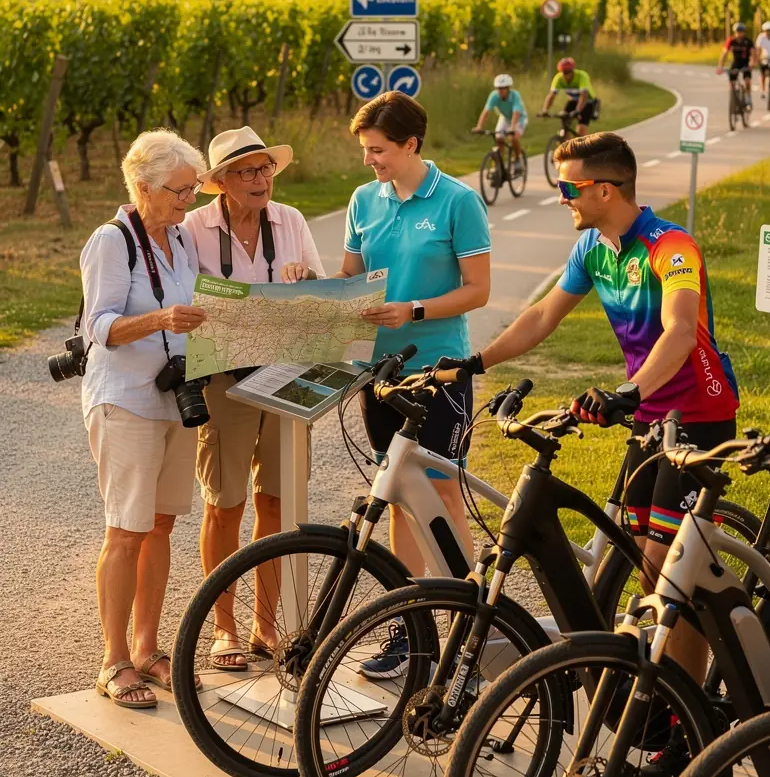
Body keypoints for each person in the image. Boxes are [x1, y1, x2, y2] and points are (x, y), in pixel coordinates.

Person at [443, 132, 739, 777]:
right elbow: (542, 316)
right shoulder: (591, 249)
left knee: (669, 567)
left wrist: (629, 391)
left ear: (606, 189)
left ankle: (690, 725)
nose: (562, 197)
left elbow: (681, 330)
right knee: (639, 562)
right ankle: (670, 689)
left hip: (698, 415)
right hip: (648, 416)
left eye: (569, 187)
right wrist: (473, 364)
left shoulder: (672, 248)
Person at [338, 91, 491, 678]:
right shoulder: (362, 199)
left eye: (378, 150)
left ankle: (468, 633)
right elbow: (351, 280)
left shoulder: (457, 201)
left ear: (410, 144)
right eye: (365, 151)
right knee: (398, 493)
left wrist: (415, 310)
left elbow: (477, 290)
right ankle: (409, 629)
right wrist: (315, 283)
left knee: (444, 496)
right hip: (377, 373)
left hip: (438, 370)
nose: (369, 160)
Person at [184, 126, 324, 671]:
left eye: (266, 169)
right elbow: (184, 298)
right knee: (225, 504)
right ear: (220, 182)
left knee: (279, 504)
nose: (261, 179)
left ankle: (268, 626)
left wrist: (305, 276)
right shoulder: (195, 227)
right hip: (224, 378)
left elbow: (322, 290)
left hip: (288, 375)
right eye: (248, 171)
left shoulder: (290, 220)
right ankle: (224, 628)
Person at [80, 130, 209, 709]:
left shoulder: (180, 239)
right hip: (125, 399)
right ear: (142, 186)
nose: (189, 200)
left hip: (172, 400)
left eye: (193, 189)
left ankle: (147, 647)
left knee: (161, 526)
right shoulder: (112, 241)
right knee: (126, 530)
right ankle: (112, 661)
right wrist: (161, 318)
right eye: (179, 191)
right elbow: (99, 328)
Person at [473, 74, 527, 171]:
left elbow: (516, 112)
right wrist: (479, 126)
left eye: (503, 88)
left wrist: (513, 127)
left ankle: (518, 158)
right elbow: (486, 111)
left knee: (513, 138)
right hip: (505, 118)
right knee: (498, 138)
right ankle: (499, 164)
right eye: (498, 88)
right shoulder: (494, 96)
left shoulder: (515, 96)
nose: (500, 91)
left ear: (508, 89)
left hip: (519, 119)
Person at [540, 57, 596, 136]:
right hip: (573, 100)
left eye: (568, 72)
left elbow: (584, 96)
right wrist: (545, 110)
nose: (566, 75)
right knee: (564, 122)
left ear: (573, 70)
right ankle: (565, 142)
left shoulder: (582, 76)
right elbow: (551, 96)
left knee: (581, 128)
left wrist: (577, 110)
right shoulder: (558, 78)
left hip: (587, 102)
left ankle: (585, 145)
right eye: (564, 73)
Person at [717, 22, 755, 110]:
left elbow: (753, 54)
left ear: (744, 32)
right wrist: (720, 67)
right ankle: (733, 97)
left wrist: (752, 64)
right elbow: (724, 54)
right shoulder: (731, 41)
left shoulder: (748, 41)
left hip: (746, 63)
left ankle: (748, 98)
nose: (739, 34)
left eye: (741, 32)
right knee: (732, 81)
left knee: (747, 81)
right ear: (735, 32)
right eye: (738, 32)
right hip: (736, 63)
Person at [755, 20, 770, 99]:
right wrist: (758, 58)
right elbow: (758, 49)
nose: (768, 32)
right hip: (764, 58)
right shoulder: (761, 37)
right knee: (763, 75)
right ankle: (763, 90)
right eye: (767, 31)